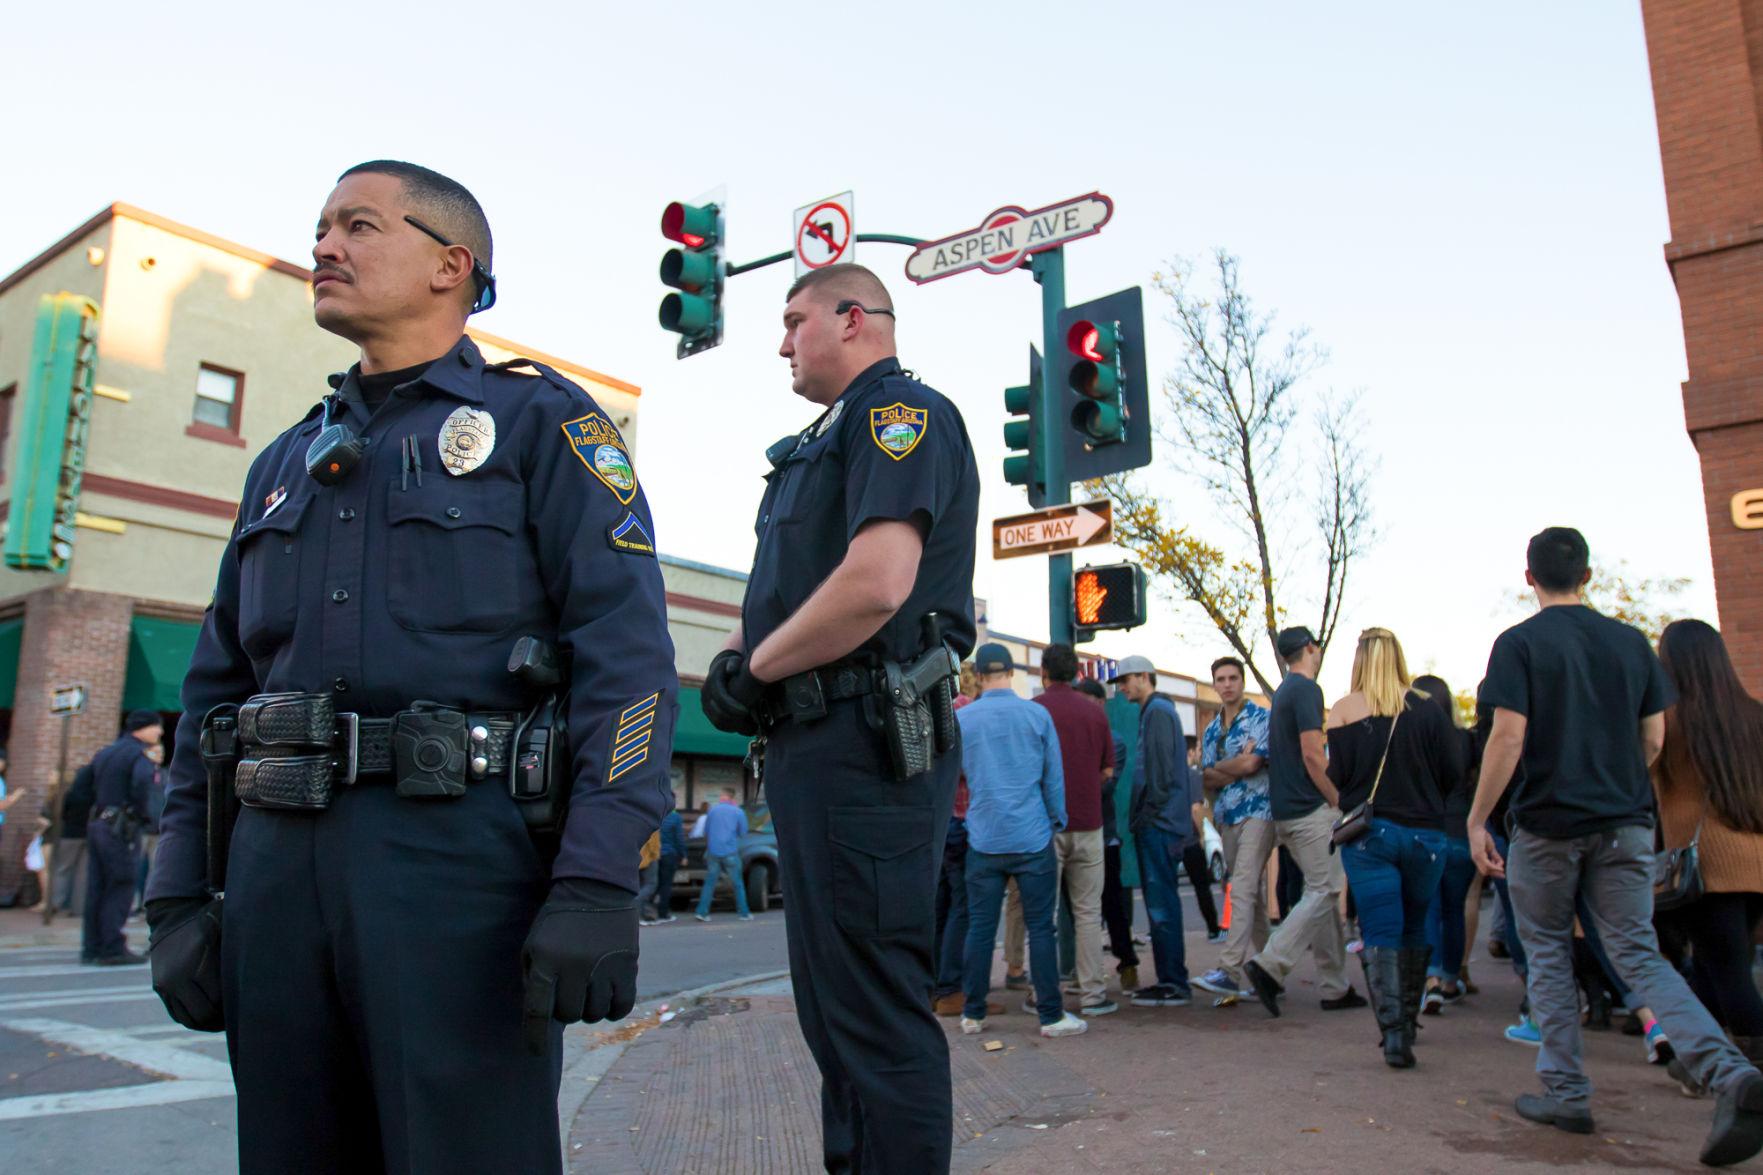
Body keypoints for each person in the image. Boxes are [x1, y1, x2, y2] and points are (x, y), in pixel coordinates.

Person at [143, 161, 677, 1175]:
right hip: (275, 871)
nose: (324, 247)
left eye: (359, 225)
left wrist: (598, 876)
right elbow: (214, 694)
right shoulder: (283, 463)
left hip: (458, 872)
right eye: (321, 228)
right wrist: (176, 893)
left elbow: (629, 663)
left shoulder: (545, 425)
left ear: (449, 264)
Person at [697, 262, 979, 1173]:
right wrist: (741, 664)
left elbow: (875, 583)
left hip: (867, 740)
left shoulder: (899, 413)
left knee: (873, 1015)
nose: (780, 342)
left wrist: (754, 669)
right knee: (833, 1014)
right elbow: (782, 591)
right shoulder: (811, 447)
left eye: (794, 320)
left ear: (853, 319)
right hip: (816, 742)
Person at [1468, 526, 1763, 1165]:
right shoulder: (1631, 643)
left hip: (1547, 825)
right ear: (1588, 575)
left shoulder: (1518, 644)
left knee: (1548, 951)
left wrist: (1477, 819)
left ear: (1529, 577)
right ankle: (1730, 1072)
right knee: (1640, 953)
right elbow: (1653, 738)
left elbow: (1508, 737)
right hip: (1625, 824)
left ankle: (1567, 1093)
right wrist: (1620, 786)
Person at [1327, 630, 1462, 1068]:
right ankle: (1408, 1020)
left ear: (1360, 660)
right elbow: (1454, 770)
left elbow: (1339, 776)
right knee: (1415, 928)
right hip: (1426, 837)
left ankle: (1394, 1036)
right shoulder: (1428, 708)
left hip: (1371, 838)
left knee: (1380, 932)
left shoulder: (1344, 710)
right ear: (1398, 657)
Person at [955, 644, 1086, 1039]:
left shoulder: (963, 719)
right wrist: (1055, 820)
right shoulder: (1036, 715)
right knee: (1041, 929)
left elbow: (952, 778)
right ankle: (1050, 1016)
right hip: (1031, 836)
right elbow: (1053, 777)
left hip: (984, 837)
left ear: (979, 675)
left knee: (980, 928)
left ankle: (972, 1013)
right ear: (1011, 672)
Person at [1653, 619, 1763, 1061]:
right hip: (1755, 862)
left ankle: (1752, 1066)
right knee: (1711, 967)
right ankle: (1692, 1062)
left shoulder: (1667, 721)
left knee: (1730, 974)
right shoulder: (1754, 715)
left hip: (1705, 867)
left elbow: (1639, 772)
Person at [1244, 627, 1365, 1017]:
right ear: (1312, 648)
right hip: (1310, 810)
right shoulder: (1308, 690)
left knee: (1322, 892)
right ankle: (1270, 964)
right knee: (1326, 889)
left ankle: (1335, 987)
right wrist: (1339, 800)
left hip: (1286, 811)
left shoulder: (1283, 693)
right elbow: (1313, 755)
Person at [1033, 643, 1118, 1016]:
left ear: (1043, 672)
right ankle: (1093, 994)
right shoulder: (1095, 714)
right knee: (1087, 913)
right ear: (1076, 673)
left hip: (1044, 826)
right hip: (1088, 823)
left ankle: (1042, 994)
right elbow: (1107, 770)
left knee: (1044, 915)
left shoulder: (1034, 711)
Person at [1110, 655, 1193, 1007]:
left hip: (1159, 825)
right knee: (1162, 904)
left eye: (1126, 680)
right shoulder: (1157, 711)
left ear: (1145, 677)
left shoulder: (1157, 712)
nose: (1122, 687)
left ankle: (1172, 982)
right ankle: (1171, 979)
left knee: (1161, 906)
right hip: (1163, 823)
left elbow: (1159, 776)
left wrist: (1145, 817)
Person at [1194, 656, 1273, 1003]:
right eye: (1221, 679)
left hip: (1259, 811)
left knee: (1241, 888)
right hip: (1227, 816)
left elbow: (1253, 763)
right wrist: (1237, 764)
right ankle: (1271, 972)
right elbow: (1206, 778)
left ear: (1242, 681)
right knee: (1250, 897)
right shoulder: (1212, 730)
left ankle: (1229, 971)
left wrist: (1234, 766)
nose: (1227, 684)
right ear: (1214, 684)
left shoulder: (1261, 718)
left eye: (1233, 678)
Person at [1414, 674, 1477, 1014]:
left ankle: (1432, 980)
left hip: (1426, 833)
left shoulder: (1412, 738)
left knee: (1429, 908)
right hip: (1461, 832)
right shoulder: (1466, 740)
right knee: (1455, 911)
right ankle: (1451, 980)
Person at [934, 671, 992, 1017]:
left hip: (938, 822)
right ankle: (952, 988)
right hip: (963, 818)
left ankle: (935, 984)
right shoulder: (965, 710)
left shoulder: (931, 709)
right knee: (964, 907)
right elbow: (972, 768)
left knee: (941, 906)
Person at [83, 711, 160, 965]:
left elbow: (85, 784)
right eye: (156, 727)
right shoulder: (139, 754)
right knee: (121, 883)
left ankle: (91, 947)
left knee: (97, 886)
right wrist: (144, 816)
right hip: (122, 826)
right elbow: (142, 786)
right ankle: (112, 947)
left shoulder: (105, 752)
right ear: (143, 728)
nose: (160, 732)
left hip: (98, 822)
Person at [1080, 677, 1140, 992]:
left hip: (1104, 837)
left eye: (1085, 702)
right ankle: (1084, 972)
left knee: (1112, 906)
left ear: (1101, 703)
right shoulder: (1072, 736)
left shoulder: (1114, 740)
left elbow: (1105, 786)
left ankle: (1127, 963)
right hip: (1076, 833)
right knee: (1080, 911)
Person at [694, 789, 752, 922]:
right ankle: (744, 913)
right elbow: (743, 832)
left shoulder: (712, 811)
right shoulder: (738, 811)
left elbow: (706, 831)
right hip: (730, 851)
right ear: (732, 798)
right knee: (737, 884)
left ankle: (702, 912)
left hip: (713, 851)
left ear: (722, 797)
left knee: (709, 883)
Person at [639, 805, 686, 924]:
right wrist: (683, 855)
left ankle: (647, 911)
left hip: (645, 857)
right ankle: (660, 913)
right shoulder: (673, 817)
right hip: (658, 856)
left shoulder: (647, 816)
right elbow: (678, 838)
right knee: (658, 885)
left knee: (648, 885)